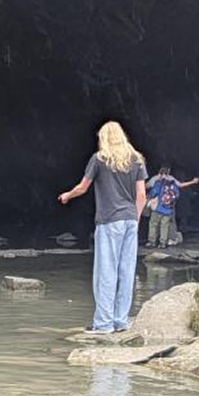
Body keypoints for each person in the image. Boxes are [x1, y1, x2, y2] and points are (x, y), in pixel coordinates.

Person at [58, 120, 147, 333]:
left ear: (104, 138)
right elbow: (142, 194)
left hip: (109, 221)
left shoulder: (99, 159)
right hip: (130, 220)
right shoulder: (136, 160)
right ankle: (120, 321)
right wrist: (136, 218)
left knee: (106, 271)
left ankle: (104, 323)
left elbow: (83, 187)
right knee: (126, 271)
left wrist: (67, 195)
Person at [144, 164, 199, 248]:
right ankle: (163, 242)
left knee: (153, 224)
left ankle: (152, 241)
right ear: (169, 171)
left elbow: (147, 188)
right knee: (165, 226)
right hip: (168, 208)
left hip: (156, 207)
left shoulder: (156, 180)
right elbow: (180, 186)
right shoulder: (171, 180)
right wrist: (192, 181)